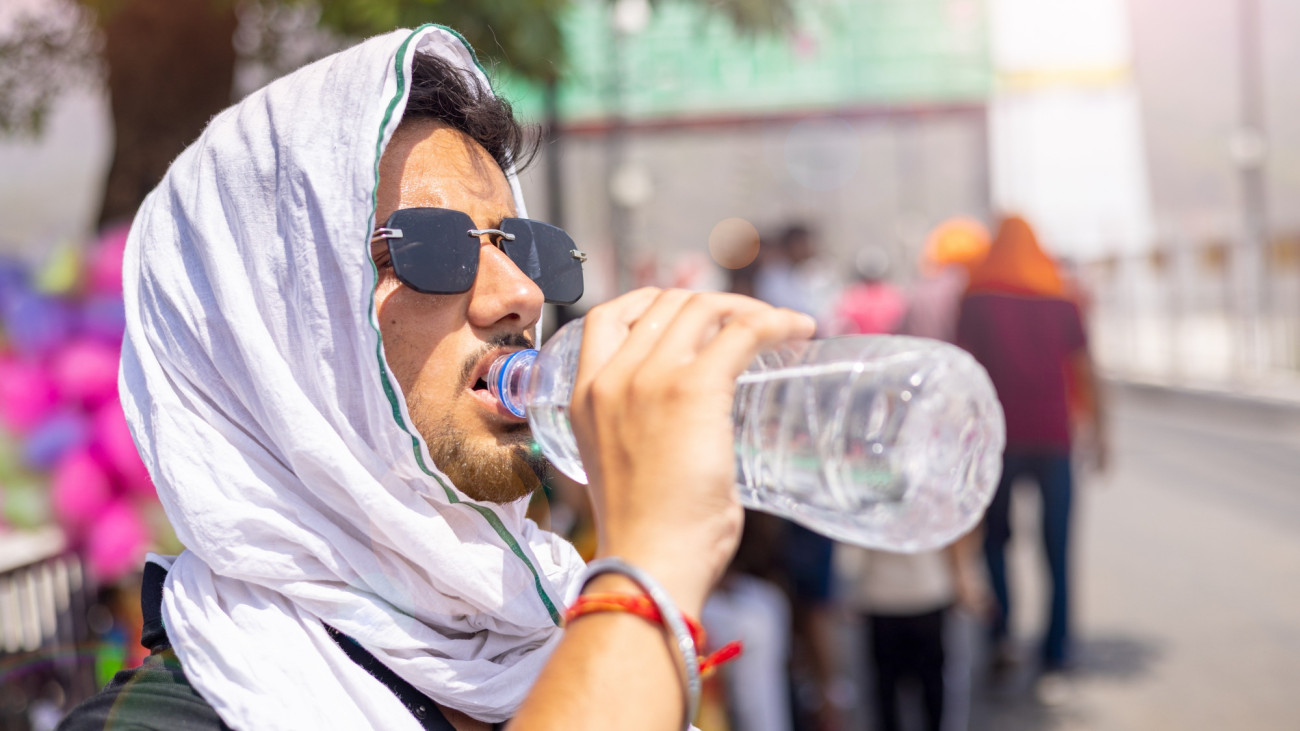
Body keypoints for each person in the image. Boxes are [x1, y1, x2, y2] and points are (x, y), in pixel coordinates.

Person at [58, 26, 814, 731]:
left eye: (518, 242)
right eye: (429, 245)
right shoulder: (162, 720)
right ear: (270, 333)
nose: (519, 292)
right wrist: (648, 567)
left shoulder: (549, 624)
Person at [955, 215, 1107, 698]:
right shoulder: (1060, 296)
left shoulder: (976, 298)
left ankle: (1001, 637)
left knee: (996, 543)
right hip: (1054, 438)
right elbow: (1084, 368)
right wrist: (1102, 434)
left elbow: (964, 369)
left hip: (997, 442)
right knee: (1057, 548)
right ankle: (1056, 653)